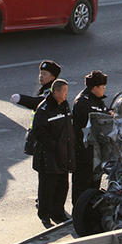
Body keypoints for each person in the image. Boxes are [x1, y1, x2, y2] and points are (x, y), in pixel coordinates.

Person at [31, 78, 76, 228]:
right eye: (63, 92)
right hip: (49, 157)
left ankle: (58, 212)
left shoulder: (64, 105)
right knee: (47, 188)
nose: (65, 95)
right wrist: (54, 146)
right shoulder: (44, 109)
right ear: (55, 92)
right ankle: (44, 214)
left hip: (63, 155)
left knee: (63, 186)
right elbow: (39, 131)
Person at [71, 70, 110, 202]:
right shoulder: (83, 103)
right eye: (103, 87)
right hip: (84, 151)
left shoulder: (97, 100)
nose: (104, 90)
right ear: (94, 88)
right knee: (82, 183)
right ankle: (80, 210)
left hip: (96, 151)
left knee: (95, 181)